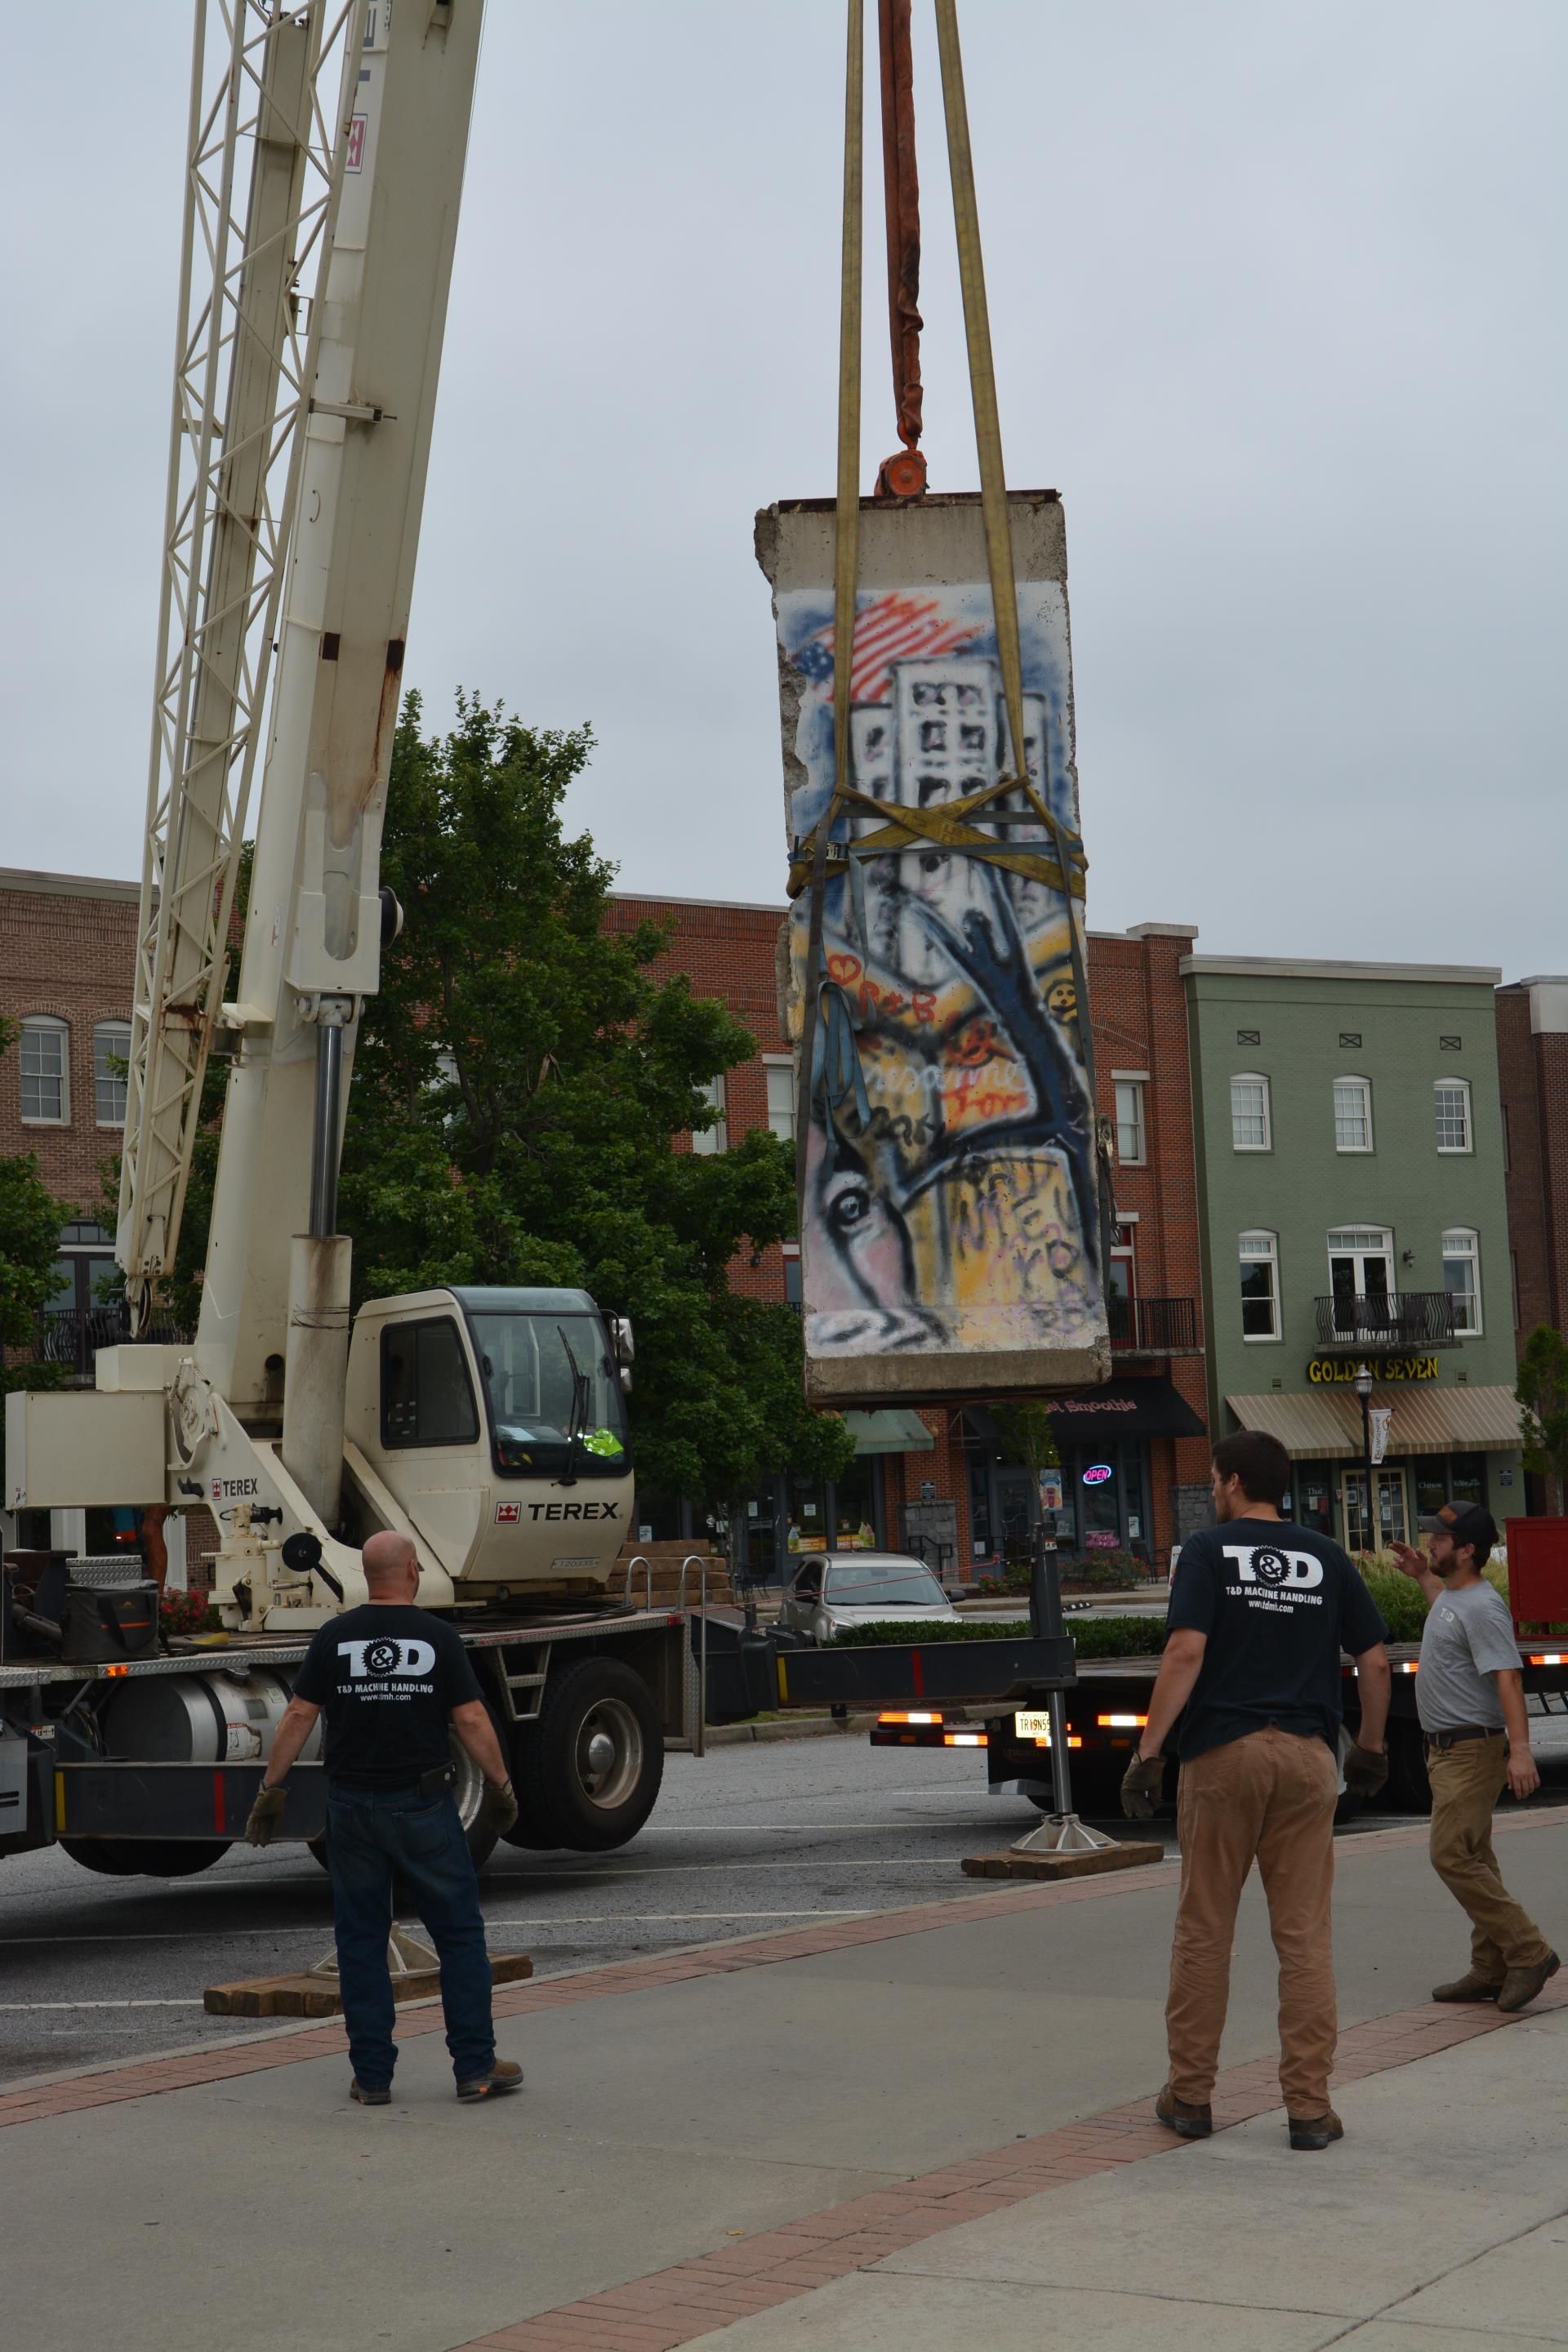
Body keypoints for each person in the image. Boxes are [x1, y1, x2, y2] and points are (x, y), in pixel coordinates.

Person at [1121, 1430, 1392, 2151]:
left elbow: (1185, 1650)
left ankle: (1190, 2096)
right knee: (1303, 1935)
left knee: (1206, 1928)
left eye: (1214, 1481)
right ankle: (1309, 2109)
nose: (1212, 1492)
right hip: (1307, 1758)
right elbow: (1373, 1658)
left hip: (1224, 1755)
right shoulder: (1327, 1556)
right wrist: (1369, 1747)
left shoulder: (1209, 1554)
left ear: (1235, 1482)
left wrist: (1149, 1751)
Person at [243, 1530, 523, 2107]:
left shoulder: (334, 1636)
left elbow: (298, 1713)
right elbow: (470, 1718)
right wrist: (500, 1785)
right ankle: (474, 2068)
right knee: (460, 1936)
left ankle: (372, 2077)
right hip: (423, 1807)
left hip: (351, 1810)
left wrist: (271, 1788)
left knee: (361, 1941)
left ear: (368, 1578)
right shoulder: (438, 1637)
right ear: (413, 1571)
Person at [1391, 1504, 1558, 2012]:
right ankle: (1490, 1969)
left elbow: (1508, 1676)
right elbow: (1447, 1606)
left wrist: (1522, 1751)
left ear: (1467, 1549)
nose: (1431, 1543)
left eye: (1440, 1540)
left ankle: (1529, 1952)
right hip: (1448, 1750)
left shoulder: (1484, 1607)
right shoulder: (1456, 1597)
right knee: (1477, 1857)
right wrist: (1423, 1575)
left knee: (1450, 1855)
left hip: (1469, 1750)